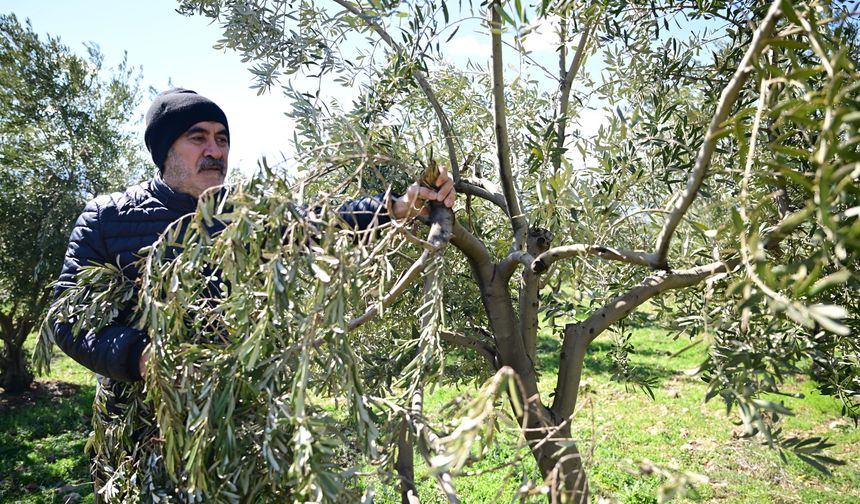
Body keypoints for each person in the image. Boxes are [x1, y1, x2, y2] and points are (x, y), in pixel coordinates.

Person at [50, 88, 455, 498]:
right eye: (198, 137)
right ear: (164, 148)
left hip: (237, 422)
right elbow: (68, 318)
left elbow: (316, 222)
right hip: (143, 430)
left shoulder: (242, 214)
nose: (215, 150)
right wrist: (141, 357)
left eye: (222, 139)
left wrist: (398, 206)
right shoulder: (107, 216)